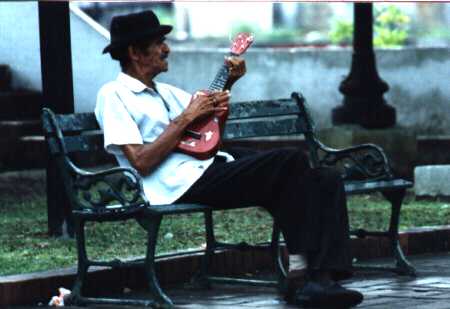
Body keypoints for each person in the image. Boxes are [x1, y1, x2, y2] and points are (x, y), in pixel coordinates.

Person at [95, 10, 364, 308]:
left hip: (204, 165)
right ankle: (305, 275)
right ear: (134, 52)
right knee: (289, 162)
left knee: (324, 177)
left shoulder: (166, 92)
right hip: (173, 184)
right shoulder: (114, 95)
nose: (166, 49)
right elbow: (141, 162)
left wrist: (228, 84)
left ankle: (322, 279)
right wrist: (185, 118)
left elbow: (203, 133)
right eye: (159, 42)